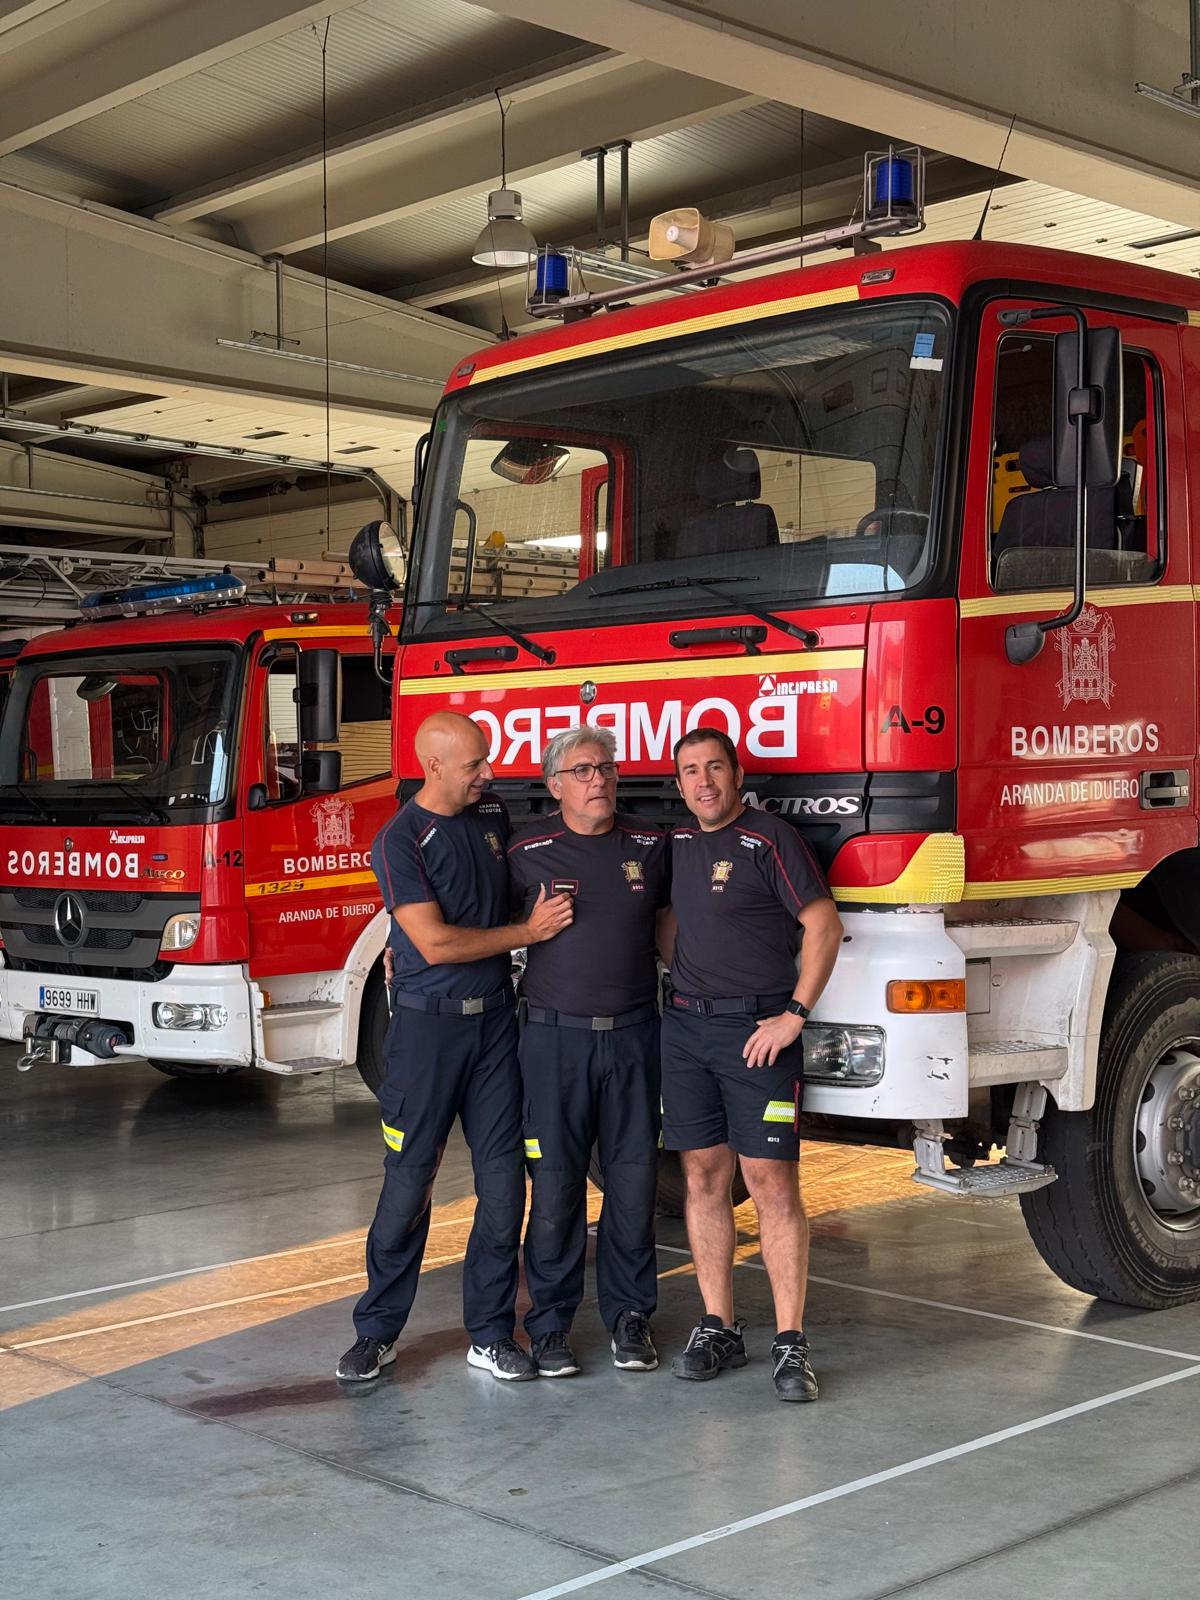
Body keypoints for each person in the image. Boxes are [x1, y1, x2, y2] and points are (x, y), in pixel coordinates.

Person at [335, 711, 573, 1385]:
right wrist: (527, 933)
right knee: (409, 1182)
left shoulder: (491, 813)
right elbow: (436, 942)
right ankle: (376, 1332)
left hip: (496, 1027)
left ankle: (493, 1333)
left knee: (503, 1186)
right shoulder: (400, 839)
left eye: (485, 761)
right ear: (433, 766)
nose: (488, 774)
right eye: (473, 764)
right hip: (425, 1033)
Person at [658, 727, 842, 1403]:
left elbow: (824, 926)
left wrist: (794, 1012)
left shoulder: (770, 838)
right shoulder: (674, 844)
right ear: (678, 783)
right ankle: (719, 1326)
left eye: (713, 768)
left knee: (769, 1182)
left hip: (757, 1031)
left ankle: (790, 1342)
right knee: (703, 1178)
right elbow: (662, 919)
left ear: (737, 774)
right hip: (684, 1030)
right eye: (689, 771)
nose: (702, 781)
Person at [507, 727, 670, 1377]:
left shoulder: (652, 844)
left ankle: (631, 1318)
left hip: (634, 1036)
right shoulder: (525, 850)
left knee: (632, 1186)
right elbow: (479, 921)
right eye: (581, 771)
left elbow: (677, 921)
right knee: (554, 1190)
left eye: (605, 767)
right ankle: (549, 1327)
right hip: (552, 1042)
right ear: (554, 786)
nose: (597, 779)